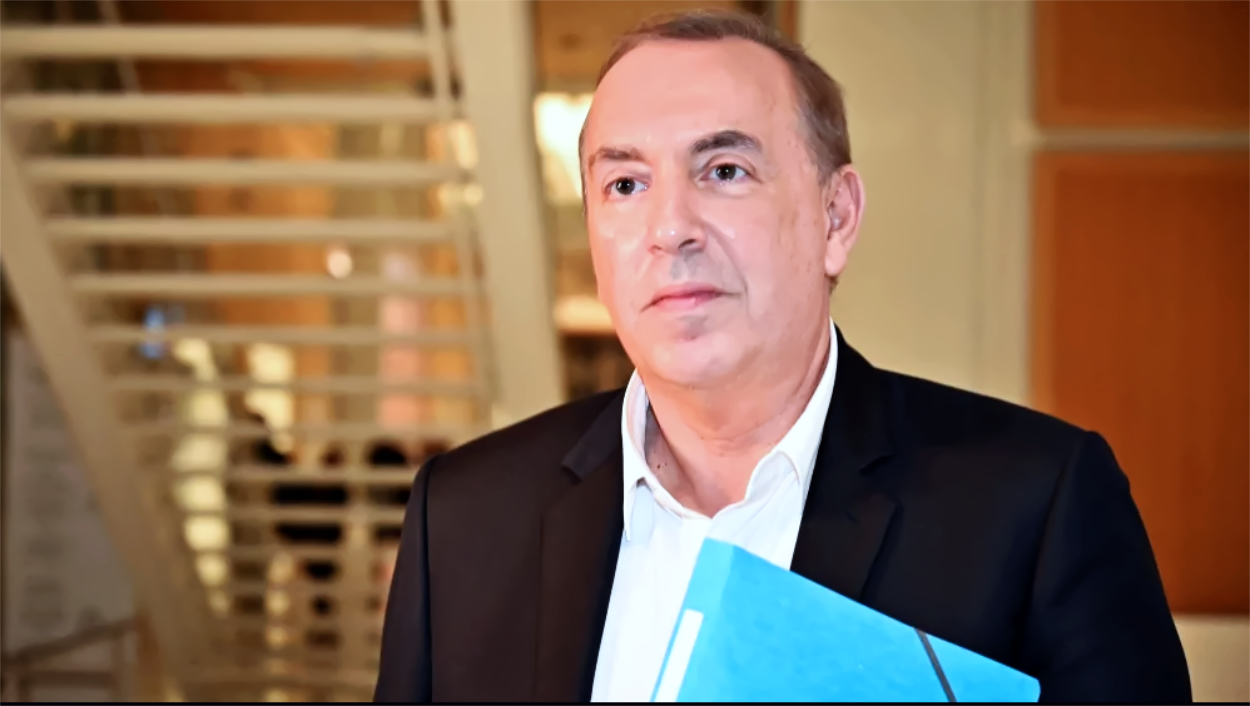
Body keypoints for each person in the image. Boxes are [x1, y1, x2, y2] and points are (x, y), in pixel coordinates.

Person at [375, 10, 1190, 703]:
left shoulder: (1035, 507)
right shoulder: (464, 520)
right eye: (625, 185)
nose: (670, 228)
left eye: (724, 171)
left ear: (836, 218)